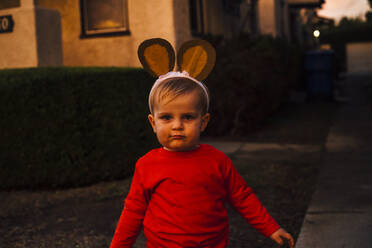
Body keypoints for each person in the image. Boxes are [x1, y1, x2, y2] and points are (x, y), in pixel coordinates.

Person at [109, 71, 295, 248]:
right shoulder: (146, 165)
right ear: (153, 123)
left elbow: (243, 197)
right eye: (166, 117)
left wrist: (271, 228)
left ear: (203, 122)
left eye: (188, 117)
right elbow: (132, 213)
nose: (177, 126)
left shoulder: (217, 161)